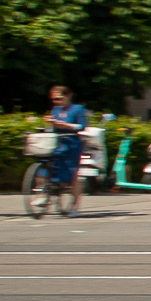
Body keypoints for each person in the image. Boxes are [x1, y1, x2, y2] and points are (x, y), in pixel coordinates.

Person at [44, 84, 88, 215]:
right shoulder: (55, 110)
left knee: (73, 176)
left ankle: (75, 206)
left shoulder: (77, 109)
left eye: (59, 98)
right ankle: (43, 193)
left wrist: (65, 125)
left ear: (68, 96)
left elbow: (82, 126)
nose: (56, 102)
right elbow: (53, 127)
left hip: (72, 143)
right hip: (58, 143)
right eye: (54, 99)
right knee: (46, 168)